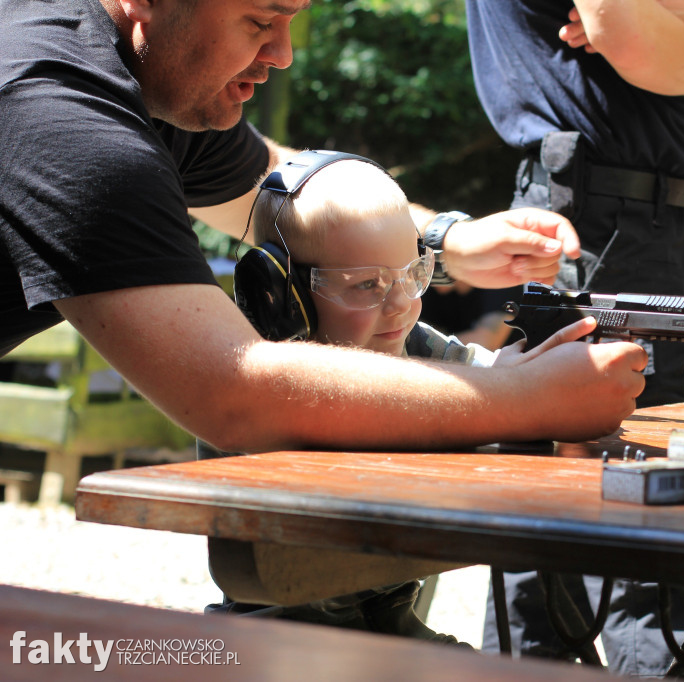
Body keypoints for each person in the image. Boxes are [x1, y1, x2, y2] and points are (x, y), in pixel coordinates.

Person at [0, 0, 649, 465]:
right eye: (260, 20)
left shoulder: (135, 78)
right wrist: (529, 398)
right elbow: (233, 393)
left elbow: (282, 189)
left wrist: (445, 243)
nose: (281, 53)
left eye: (291, 21)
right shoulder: (65, 118)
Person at [465, 0, 684, 676]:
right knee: (608, 481)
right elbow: (629, 41)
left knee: (638, 469)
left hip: (652, 218)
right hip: (597, 213)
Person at [203, 153, 590, 643]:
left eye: (413, 271)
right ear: (283, 293)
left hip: (388, 622)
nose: (403, 302)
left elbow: (486, 374)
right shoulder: (252, 378)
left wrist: (549, 372)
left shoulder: (407, 340)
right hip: (281, 631)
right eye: (367, 284)